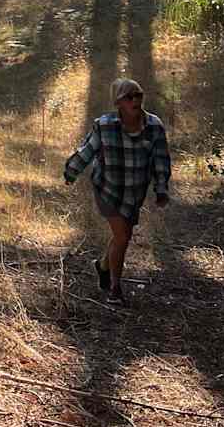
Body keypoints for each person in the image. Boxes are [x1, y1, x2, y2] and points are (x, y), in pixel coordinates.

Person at [63, 78, 171, 307]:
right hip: (108, 189)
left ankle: (103, 265)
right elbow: (87, 150)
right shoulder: (104, 125)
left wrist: (161, 189)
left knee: (123, 237)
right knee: (122, 236)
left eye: (138, 94)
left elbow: (161, 160)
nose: (135, 100)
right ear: (119, 102)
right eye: (129, 96)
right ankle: (115, 289)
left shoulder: (154, 126)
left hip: (135, 192)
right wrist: (71, 171)